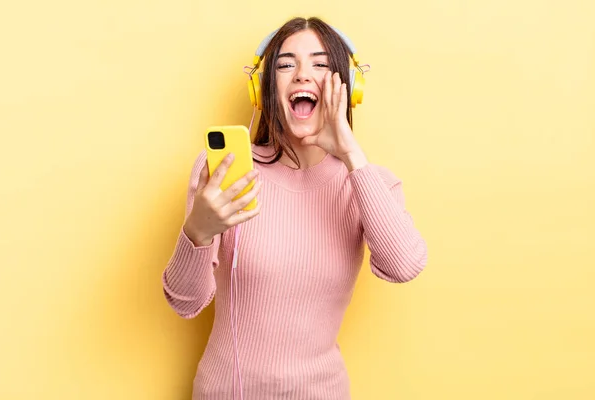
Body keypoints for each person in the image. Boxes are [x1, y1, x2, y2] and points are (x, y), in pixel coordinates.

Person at [162, 16, 428, 400]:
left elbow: (403, 266)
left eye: (320, 64)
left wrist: (352, 155)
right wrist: (197, 232)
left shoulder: (369, 183)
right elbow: (185, 303)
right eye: (286, 64)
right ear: (263, 88)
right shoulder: (225, 172)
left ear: (349, 88)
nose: (303, 75)